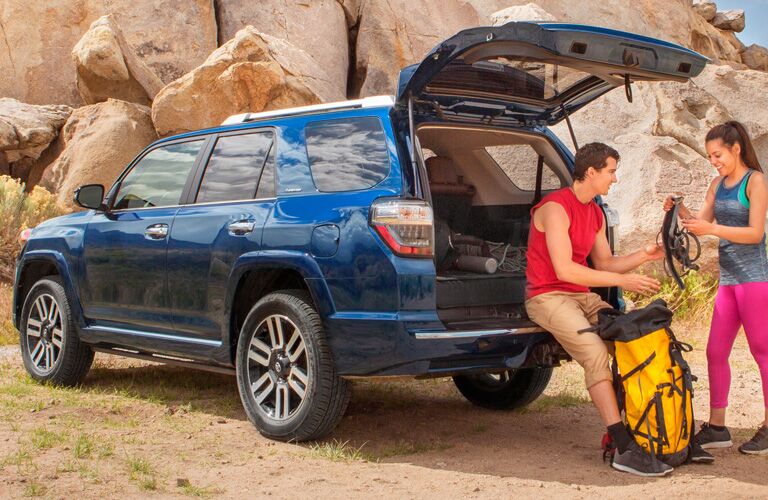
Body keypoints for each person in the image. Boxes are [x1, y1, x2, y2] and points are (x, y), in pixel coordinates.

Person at [525, 142, 676, 477]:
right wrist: (623, 282)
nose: (615, 178)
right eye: (611, 171)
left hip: (581, 296)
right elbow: (564, 269)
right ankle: (623, 447)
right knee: (594, 353)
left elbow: (605, 262)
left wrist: (644, 255)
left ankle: (640, 428)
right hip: (547, 297)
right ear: (591, 172)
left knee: (632, 338)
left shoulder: (594, 212)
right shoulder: (555, 208)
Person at [664, 121, 768, 456]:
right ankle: (718, 427)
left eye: (718, 154)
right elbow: (700, 223)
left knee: (763, 352)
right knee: (715, 352)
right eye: (710, 156)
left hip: (754, 281)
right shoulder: (717, 185)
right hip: (729, 282)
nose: (714, 161)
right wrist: (679, 209)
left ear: (736, 149)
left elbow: (755, 233)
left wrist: (712, 229)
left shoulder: (755, 181)